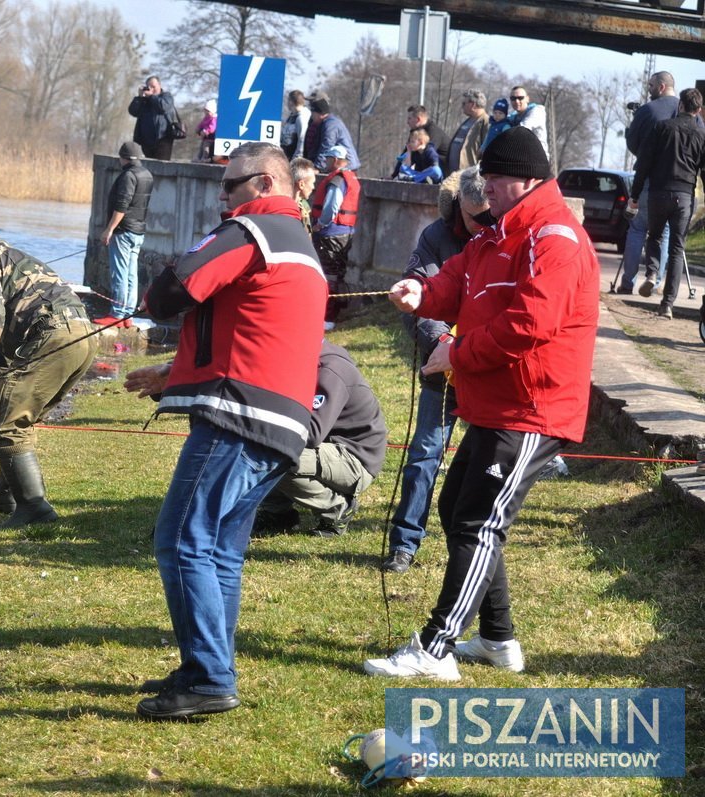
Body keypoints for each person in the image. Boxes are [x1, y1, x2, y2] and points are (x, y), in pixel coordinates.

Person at [363, 126, 599, 680]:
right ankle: (497, 639)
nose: (485, 187)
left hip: (534, 407)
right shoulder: (497, 235)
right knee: (459, 512)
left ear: (525, 179)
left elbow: (531, 324)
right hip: (497, 403)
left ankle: (435, 647)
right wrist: (423, 294)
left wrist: (457, 354)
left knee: (476, 522)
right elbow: (458, 281)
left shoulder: (554, 236)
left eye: (494, 178)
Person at [123, 141, 327, 720]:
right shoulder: (300, 246)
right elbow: (258, 328)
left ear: (263, 185)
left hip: (241, 413)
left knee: (181, 538)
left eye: (229, 187)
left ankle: (210, 677)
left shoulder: (253, 230)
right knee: (219, 551)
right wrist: (176, 371)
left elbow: (172, 291)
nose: (221, 199)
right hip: (282, 419)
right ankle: (206, 664)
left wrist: (169, 275)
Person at [0, 214, 96, 528]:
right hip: (82, 336)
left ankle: (34, 509)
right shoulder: (15, 258)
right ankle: (6, 495)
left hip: (53, 336)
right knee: (12, 413)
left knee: (5, 425)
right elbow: (13, 335)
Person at [381, 167, 492, 575]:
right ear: (458, 206)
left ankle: (476, 545)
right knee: (425, 454)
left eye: (490, 216)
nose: (484, 225)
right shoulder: (435, 238)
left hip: (489, 366)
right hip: (442, 368)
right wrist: (445, 346)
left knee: (488, 461)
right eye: (475, 218)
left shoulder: (507, 237)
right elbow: (422, 298)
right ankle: (405, 542)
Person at [253, 340, 387, 537]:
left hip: (356, 459)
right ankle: (277, 513)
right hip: (329, 448)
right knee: (261, 446)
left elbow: (312, 432)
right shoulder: (301, 360)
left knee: (275, 455)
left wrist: (261, 427)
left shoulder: (330, 371)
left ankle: (337, 509)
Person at [631, 88, 705, 319]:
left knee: (654, 236)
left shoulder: (661, 128)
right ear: (699, 110)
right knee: (677, 248)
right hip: (684, 196)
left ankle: (652, 274)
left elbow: (643, 163)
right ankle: (667, 304)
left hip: (658, 192)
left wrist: (634, 195)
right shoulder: (702, 136)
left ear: (680, 106)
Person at [619, 71, 680, 294]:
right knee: (662, 232)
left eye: (651, 85)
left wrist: (644, 155)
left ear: (661, 87)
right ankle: (656, 281)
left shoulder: (647, 110)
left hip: (646, 180)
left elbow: (633, 143)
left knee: (637, 229)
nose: (648, 89)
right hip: (674, 184)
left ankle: (627, 283)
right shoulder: (687, 112)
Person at [94, 141, 153, 327]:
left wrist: (109, 229)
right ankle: (127, 315)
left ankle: (117, 314)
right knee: (131, 274)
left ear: (123, 157)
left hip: (123, 231)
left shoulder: (128, 176)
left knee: (119, 273)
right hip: (138, 231)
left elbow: (122, 205)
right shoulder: (146, 174)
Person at [310, 144, 359, 327]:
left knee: (328, 275)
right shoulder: (350, 178)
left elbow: (331, 206)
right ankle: (332, 315)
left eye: (330, 158)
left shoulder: (337, 180)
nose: (326, 161)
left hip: (331, 234)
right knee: (336, 274)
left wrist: (320, 224)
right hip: (343, 233)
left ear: (337, 160)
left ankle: (328, 317)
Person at [128, 76, 178, 161]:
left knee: (162, 167)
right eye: (149, 87)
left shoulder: (166, 96)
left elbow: (163, 107)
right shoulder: (144, 100)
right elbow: (133, 111)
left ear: (159, 85)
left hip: (163, 139)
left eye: (154, 87)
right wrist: (139, 98)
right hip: (145, 141)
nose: (151, 89)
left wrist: (151, 96)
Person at [307, 97, 361, 172]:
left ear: (320, 113)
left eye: (313, 113)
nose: (312, 116)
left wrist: (317, 167)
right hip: (339, 165)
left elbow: (327, 146)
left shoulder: (330, 125)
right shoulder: (325, 123)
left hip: (345, 166)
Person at [447, 90, 490, 173]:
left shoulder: (486, 122)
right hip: (454, 175)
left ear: (473, 105)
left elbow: (487, 150)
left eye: (464, 103)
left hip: (470, 176)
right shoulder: (468, 120)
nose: (462, 106)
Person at [508, 86, 549, 157]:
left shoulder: (537, 111)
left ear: (527, 99)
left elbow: (522, 129)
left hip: (537, 159)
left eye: (520, 98)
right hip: (522, 157)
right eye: (513, 98)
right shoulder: (513, 117)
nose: (517, 101)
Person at [290, 157, 317, 232]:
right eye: (312, 183)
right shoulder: (284, 209)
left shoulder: (304, 206)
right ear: (301, 184)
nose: (313, 187)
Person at [281, 90, 309, 160]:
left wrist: (297, 158)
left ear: (291, 102)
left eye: (288, 100)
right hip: (287, 154)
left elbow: (301, 139)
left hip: (294, 158)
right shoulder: (292, 115)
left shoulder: (302, 117)